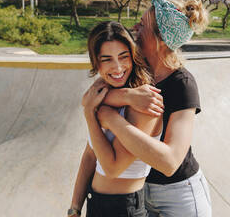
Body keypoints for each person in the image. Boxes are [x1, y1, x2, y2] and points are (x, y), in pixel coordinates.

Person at [97, 0, 212, 216]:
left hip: (180, 196)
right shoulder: (132, 73)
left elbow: (170, 162)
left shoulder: (182, 84)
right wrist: (126, 96)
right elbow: (94, 95)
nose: (134, 28)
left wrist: (112, 120)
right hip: (139, 193)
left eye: (142, 25)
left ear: (160, 41)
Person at [69, 21, 162, 217]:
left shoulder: (144, 102)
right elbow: (90, 155)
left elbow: (112, 168)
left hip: (124, 209)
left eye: (123, 57)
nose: (118, 67)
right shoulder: (104, 91)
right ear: (96, 62)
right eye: (107, 59)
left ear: (133, 56)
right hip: (95, 204)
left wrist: (91, 114)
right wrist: (74, 209)